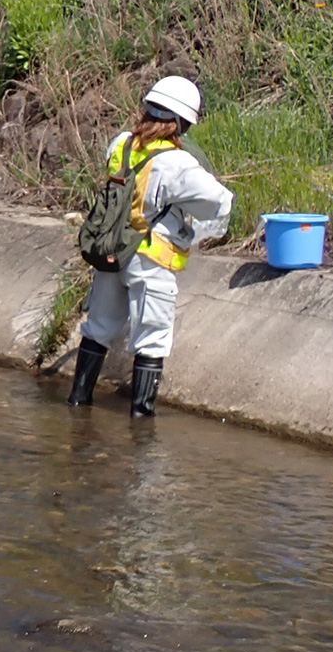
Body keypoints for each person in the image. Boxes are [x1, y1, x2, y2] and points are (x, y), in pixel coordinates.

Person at [66, 75, 233, 418]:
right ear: (181, 123)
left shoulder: (120, 145)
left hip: (112, 251)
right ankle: (141, 427)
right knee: (152, 340)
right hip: (151, 258)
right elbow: (219, 202)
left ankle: (78, 404)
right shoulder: (177, 163)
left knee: (97, 329)